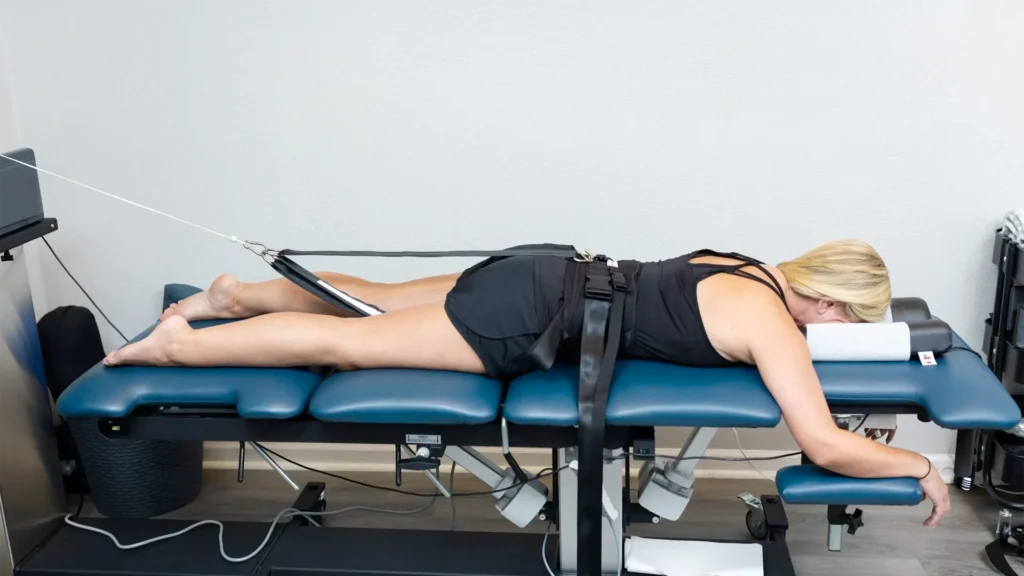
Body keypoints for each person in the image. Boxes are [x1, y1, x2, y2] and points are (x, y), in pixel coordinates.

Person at [102, 239, 949, 527]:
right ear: (830, 300)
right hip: (526, 323)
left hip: (541, 275)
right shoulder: (774, 323)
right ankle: (174, 347)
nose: (843, 335)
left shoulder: (746, 266)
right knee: (346, 343)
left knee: (364, 300)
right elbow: (824, 443)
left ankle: (231, 296)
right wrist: (919, 466)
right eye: (849, 320)